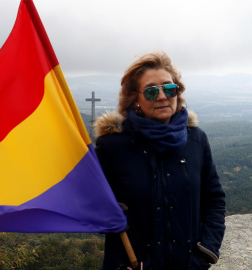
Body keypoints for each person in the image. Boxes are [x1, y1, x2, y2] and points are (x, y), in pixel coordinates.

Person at [94, 51, 226, 270]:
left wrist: (206, 254)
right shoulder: (112, 146)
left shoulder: (195, 139)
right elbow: (94, 208)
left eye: (169, 88)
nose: (163, 96)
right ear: (134, 99)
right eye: (151, 91)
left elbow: (214, 198)